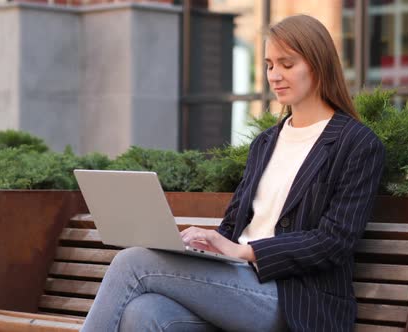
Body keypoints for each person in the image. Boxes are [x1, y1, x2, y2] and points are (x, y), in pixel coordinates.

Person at [81, 14, 385, 332]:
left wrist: (246, 251)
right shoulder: (265, 143)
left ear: (318, 65)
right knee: (142, 313)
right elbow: (233, 225)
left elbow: (334, 242)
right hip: (235, 286)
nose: (275, 75)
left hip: (296, 300)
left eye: (287, 64)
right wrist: (204, 245)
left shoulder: (357, 144)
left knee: (133, 262)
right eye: (269, 65)